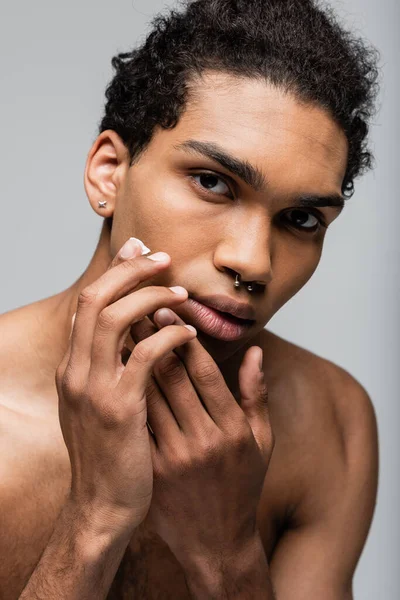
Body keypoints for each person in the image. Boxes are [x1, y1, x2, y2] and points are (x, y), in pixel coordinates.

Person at [0, 0, 380, 598]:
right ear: (108, 173)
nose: (254, 262)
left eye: (301, 218)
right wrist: (94, 519)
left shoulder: (328, 421)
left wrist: (226, 554)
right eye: (212, 182)